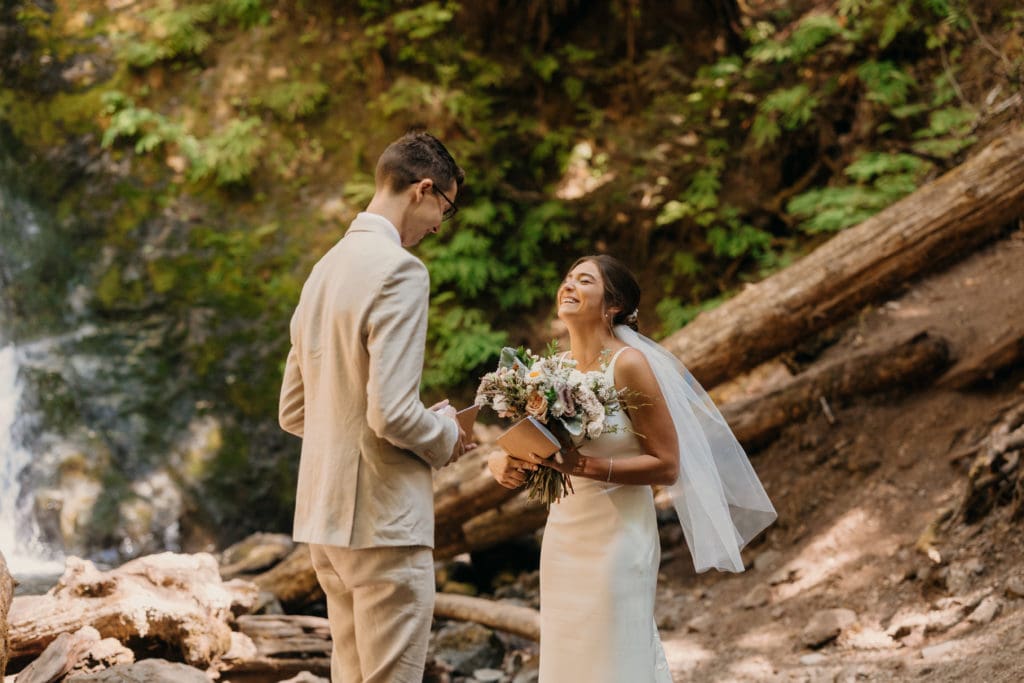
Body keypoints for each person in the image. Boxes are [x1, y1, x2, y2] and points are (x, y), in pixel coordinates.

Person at [489, 255, 776, 682]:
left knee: (615, 654)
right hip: (564, 534)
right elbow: (539, 448)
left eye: (583, 281)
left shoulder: (628, 364)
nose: (568, 286)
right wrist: (502, 460)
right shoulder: (551, 371)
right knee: (569, 657)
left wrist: (585, 465)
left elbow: (667, 464)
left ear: (613, 305)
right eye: (567, 278)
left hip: (618, 536)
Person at [278, 131, 473, 683]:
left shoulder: (323, 271)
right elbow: (389, 414)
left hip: (324, 523)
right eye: (446, 210)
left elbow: (294, 411)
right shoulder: (401, 271)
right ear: (424, 190)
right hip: (385, 524)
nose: (439, 227)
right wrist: (444, 433)